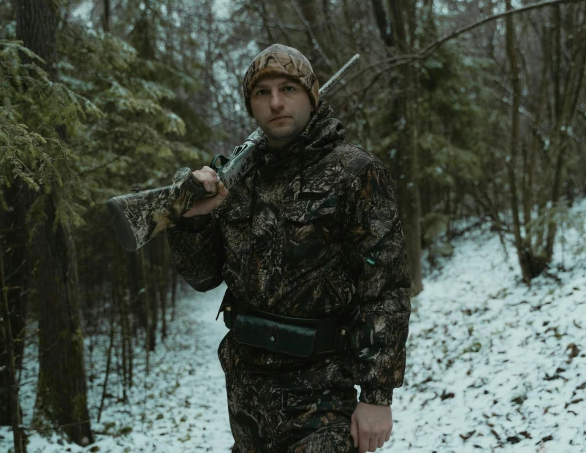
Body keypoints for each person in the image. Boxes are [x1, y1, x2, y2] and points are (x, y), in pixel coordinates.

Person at [167, 44, 411, 453]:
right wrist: (192, 220)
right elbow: (203, 277)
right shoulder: (235, 178)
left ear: (312, 96)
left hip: (323, 394)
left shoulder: (355, 172)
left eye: (288, 88)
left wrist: (377, 395)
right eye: (262, 93)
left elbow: (386, 288)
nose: (276, 102)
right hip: (246, 398)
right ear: (250, 105)